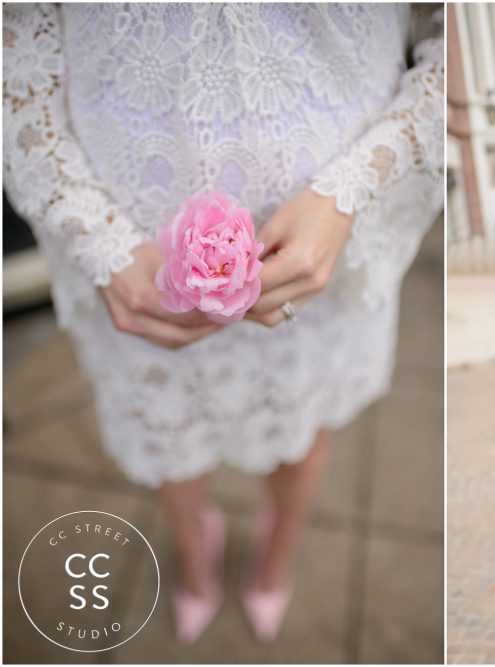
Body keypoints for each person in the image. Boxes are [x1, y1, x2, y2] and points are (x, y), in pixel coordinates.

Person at [3, 3, 443, 644]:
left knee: (301, 433)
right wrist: (95, 235)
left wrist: (351, 188)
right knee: (172, 438)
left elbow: (446, 41)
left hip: (326, 242)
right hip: (133, 254)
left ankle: (275, 559)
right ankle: (195, 554)